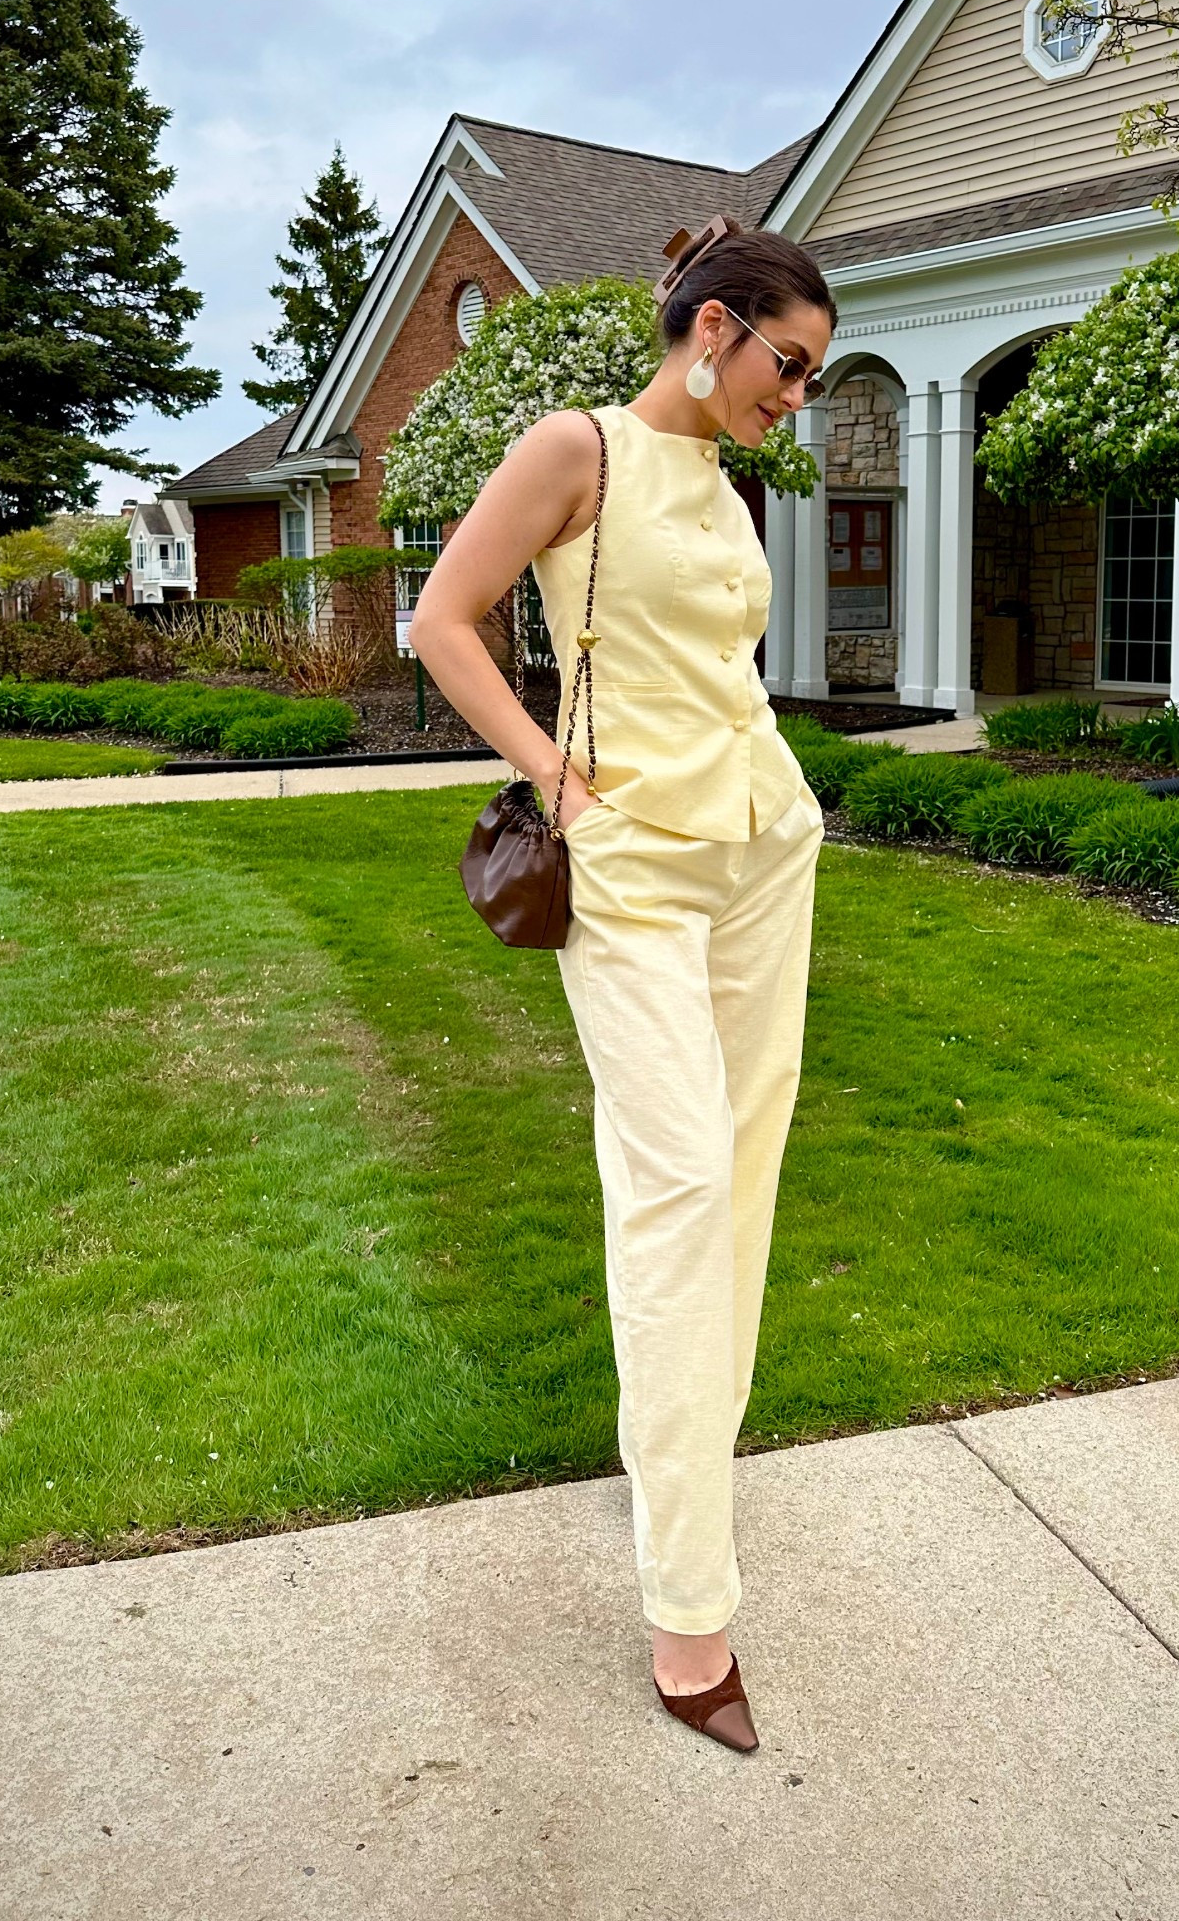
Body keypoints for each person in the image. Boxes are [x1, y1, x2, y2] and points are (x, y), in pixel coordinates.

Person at [406, 216, 838, 1753]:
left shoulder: (725, 482)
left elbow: (721, 670)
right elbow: (441, 622)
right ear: (714, 325)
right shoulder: (575, 446)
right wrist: (552, 775)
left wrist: (787, 795)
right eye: (789, 365)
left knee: (741, 1183)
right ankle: (688, 1617)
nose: (796, 396)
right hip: (634, 868)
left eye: (809, 379)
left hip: (760, 853)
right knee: (671, 1195)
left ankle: (685, 1483)